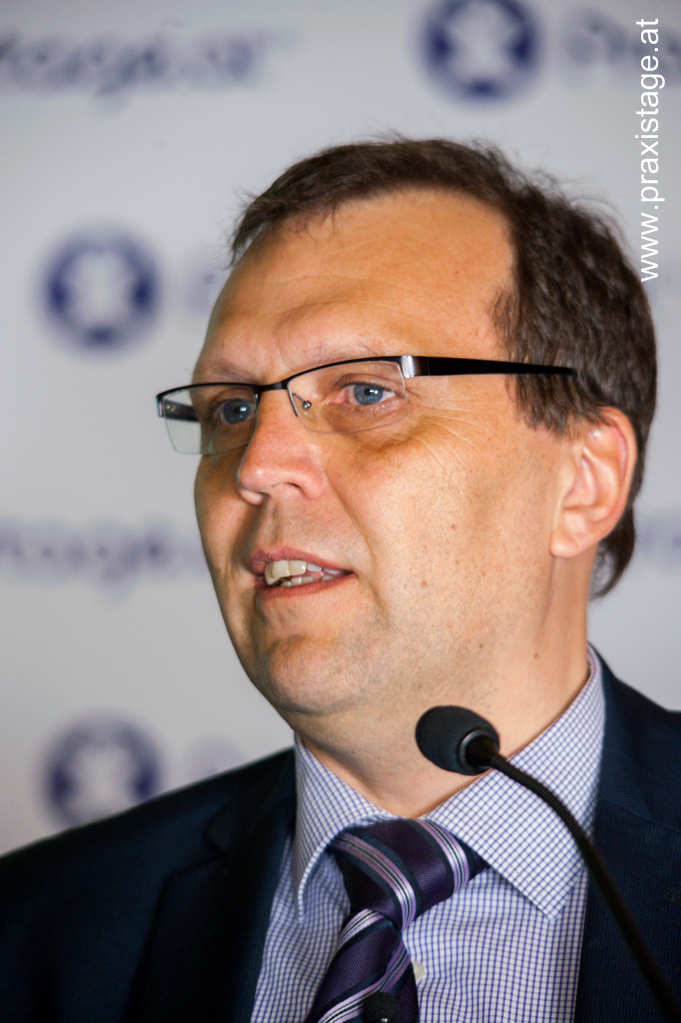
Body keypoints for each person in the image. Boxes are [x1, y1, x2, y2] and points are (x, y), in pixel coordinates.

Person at [1, 138, 679, 1023]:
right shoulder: (39, 933)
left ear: (583, 481)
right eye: (231, 409)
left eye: (365, 393)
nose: (256, 465)